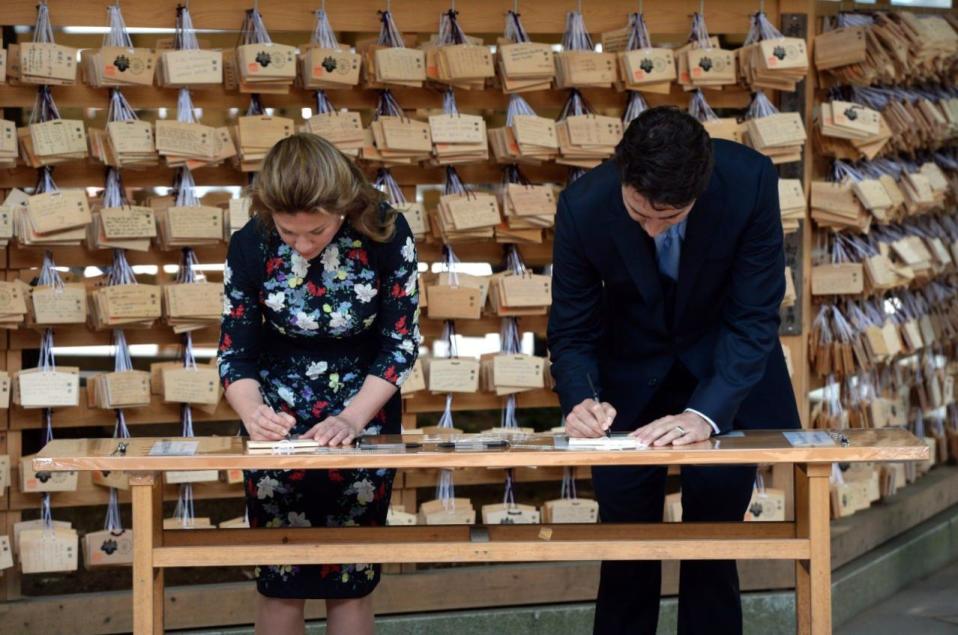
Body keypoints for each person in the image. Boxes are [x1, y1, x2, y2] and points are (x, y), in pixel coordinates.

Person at [547, 106, 801, 635]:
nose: (655, 228)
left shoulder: (750, 181)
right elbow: (572, 327)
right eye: (641, 215)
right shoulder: (582, 206)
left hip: (724, 379)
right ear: (623, 174)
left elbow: (754, 316)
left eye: (671, 216)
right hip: (627, 378)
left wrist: (706, 413)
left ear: (700, 187)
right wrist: (581, 399)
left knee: (712, 545)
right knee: (625, 548)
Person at [218, 133, 420, 635]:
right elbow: (235, 352)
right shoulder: (250, 242)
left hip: (363, 411)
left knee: (349, 574)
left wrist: (353, 417)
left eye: (316, 231)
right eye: (289, 234)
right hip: (276, 417)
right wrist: (251, 412)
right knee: (279, 574)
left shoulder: (386, 233)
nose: (303, 246)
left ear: (343, 209)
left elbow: (400, 344)